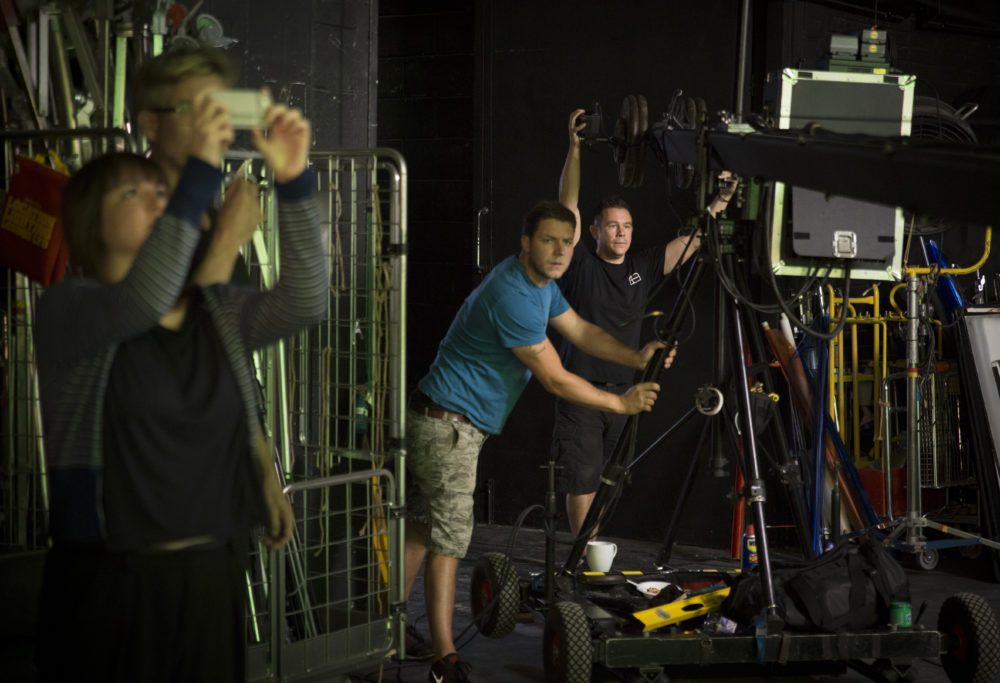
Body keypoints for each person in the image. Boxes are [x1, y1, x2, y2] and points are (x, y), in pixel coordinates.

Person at [33, 91, 328, 683]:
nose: (159, 201)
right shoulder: (68, 309)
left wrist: (294, 182)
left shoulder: (213, 306)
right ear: (91, 222)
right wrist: (201, 177)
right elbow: (144, 304)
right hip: (110, 580)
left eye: (163, 194)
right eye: (134, 193)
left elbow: (307, 300)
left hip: (212, 574)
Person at [405, 200, 667, 682]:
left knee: (424, 529)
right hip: (450, 426)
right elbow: (556, 379)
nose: (560, 251)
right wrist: (622, 404)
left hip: (443, 420)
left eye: (567, 243)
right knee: (448, 541)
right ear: (525, 243)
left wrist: (635, 359)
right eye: (549, 240)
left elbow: (582, 330)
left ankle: (385, 627)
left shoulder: (540, 286)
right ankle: (445, 657)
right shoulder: (515, 295)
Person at [553, 108, 738, 540]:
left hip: (626, 392)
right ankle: (587, 554)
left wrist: (723, 197)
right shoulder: (579, 264)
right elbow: (568, 207)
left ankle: (593, 552)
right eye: (612, 227)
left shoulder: (642, 266)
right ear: (595, 232)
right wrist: (575, 150)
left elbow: (691, 241)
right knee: (581, 477)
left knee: (611, 478)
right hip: (581, 390)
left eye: (627, 227)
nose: (621, 233)